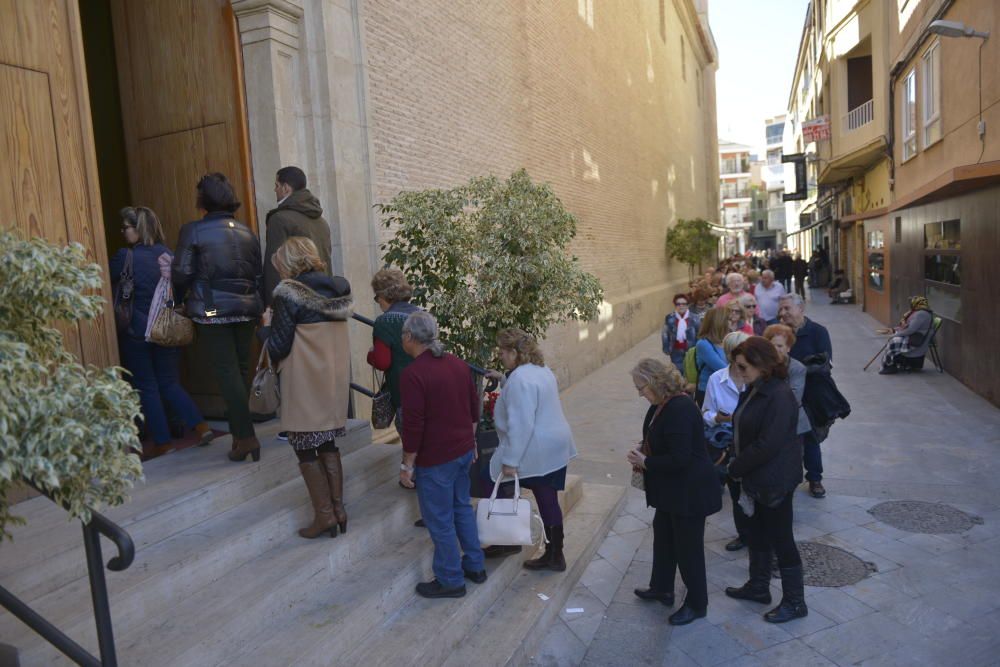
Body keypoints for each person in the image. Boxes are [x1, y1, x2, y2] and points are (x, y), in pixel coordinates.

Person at [258, 237, 352, 539]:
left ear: (290, 262)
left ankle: (325, 516)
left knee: (303, 445)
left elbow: (279, 345)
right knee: (327, 442)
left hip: (306, 380)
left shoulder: (289, 293)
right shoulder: (339, 288)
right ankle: (338, 511)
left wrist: (265, 327)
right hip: (333, 379)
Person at [173, 173, 264, 462]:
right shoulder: (247, 231)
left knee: (227, 372)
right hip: (247, 308)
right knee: (238, 370)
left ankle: (246, 436)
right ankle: (240, 439)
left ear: (203, 199)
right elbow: (258, 274)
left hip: (213, 308)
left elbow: (182, 272)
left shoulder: (194, 231)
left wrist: (176, 301)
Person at [110, 207, 213, 453]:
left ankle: (163, 443)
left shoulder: (125, 257)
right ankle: (200, 426)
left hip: (136, 331)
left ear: (138, 228)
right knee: (169, 382)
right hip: (167, 328)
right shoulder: (168, 255)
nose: (123, 232)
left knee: (147, 386)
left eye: (126, 227)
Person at [627, 359, 721, 626]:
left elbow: (681, 458)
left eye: (641, 387)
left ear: (657, 382)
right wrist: (643, 449)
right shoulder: (661, 405)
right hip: (673, 491)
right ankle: (662, 587)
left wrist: (645, 462)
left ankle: (697, 603)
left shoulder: (679, 408)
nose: (639, 393)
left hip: (689, 493)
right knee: (664, 538)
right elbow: (661, 438)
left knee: (688, 550)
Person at [398, 312, 485, 598]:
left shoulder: (413, 374)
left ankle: (450, 579)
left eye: (403, 335)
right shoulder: (457, 365)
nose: (402, 339)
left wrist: (407, 464)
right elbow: (474, 409)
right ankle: (474, 566)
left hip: (436, 459)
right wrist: (471, 441)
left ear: (410, 338)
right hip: (461, 452)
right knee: (461, 508)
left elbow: (413, 424)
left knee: (440, 519)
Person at [724, 337, 808, 624]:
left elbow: (767, 444)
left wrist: (735, 467)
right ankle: (758, 587)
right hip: (756, 478)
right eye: (737, 366)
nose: (739, 371)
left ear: (762, 365)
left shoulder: (780, 396)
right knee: (758, 534)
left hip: (775, 481)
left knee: (782, 539)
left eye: (743, 366)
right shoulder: (755, 389)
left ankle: (796, 602)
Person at [480, 329, 578, 570]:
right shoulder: (540, 370)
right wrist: (504, 379)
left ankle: (511, 541)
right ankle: (554, 553)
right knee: (547, 499)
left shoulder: (520, 379)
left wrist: (511, 460)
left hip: (537, 448)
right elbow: (527, 391)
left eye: (503, 351)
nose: (500, 355)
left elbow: (521, 424)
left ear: (515, 352)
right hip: (555, 445)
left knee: (494, 480)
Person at [777, 293, 831, 498]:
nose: (782, 313)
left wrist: (797, 369)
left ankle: (815, 478)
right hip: (781, 394)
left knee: (810, 437)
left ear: (801, 309)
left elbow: (825, 363)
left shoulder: (817, 332)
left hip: (811, 395)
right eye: (780, 309)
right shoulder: (777, 331)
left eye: (787, 309)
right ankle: (787, 476)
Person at [702, 332, 750, 552]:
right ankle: (744, 535)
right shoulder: (716, 379)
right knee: (736, 492)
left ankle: (760, 535)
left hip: (752, 444)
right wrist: (717, 418)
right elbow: (706, 413)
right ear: (731, 354)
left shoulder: (757, 379)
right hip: (727, 444)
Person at [262, 166, 333, 305]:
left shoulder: (279, 219)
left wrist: (272, 306)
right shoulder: (322, 222)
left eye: (276, 185)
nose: (274, 190)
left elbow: (274, 268)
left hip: (294, 305)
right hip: (321, 299)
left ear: (286, 188)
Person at [366, 268, 423, 434]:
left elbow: (383, 362)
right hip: (429, 391)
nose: (378, 302)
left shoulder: (384, 321)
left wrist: (371, 355)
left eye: (377, 297)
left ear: (385, 295)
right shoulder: (420, 314)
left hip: (404, 394)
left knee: (411, 448)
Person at [877, 296, 935, 375]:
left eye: (912, 302)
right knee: (894, 339)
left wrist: (895, 335)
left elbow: (910, 330)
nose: (910, 304)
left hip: (916, 340)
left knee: (893, 341)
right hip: (915, 336)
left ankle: (889, 365)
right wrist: (894, 330)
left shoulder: (921, 314)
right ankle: (889, 362)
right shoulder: (919, 312)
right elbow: (908, 326)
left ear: (917, 303)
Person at [694, 308, 729, 406]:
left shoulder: (725, 341)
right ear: (720, 322)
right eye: (728, 320)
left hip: (724, 390)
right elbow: (722, 368)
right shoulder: (704, 344)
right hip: (708, 391)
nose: (731, 323)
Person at [662, 294, 700, 371]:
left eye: (684, 304)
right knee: (678, 372)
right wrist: (666, 348)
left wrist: (699, 349)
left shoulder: (695, 318)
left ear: (687, 305)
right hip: (675, 351)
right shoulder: (669, 317)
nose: (681, 306)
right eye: (678, 304)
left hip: (691, 351)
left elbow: (699, 334)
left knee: (691, 371)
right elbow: (665, 334)